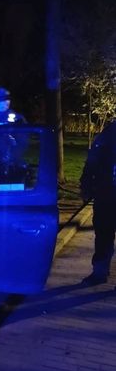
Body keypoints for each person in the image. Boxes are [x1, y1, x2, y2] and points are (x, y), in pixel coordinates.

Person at [79, 120, 116, 285]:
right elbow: (92, 162)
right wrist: (86, 185)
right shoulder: (108, 133)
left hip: (105, 194)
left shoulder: (107, 133)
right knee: (103, 235)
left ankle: (100, 272)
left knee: (103, 235)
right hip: (105, 195)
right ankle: (99, 272)